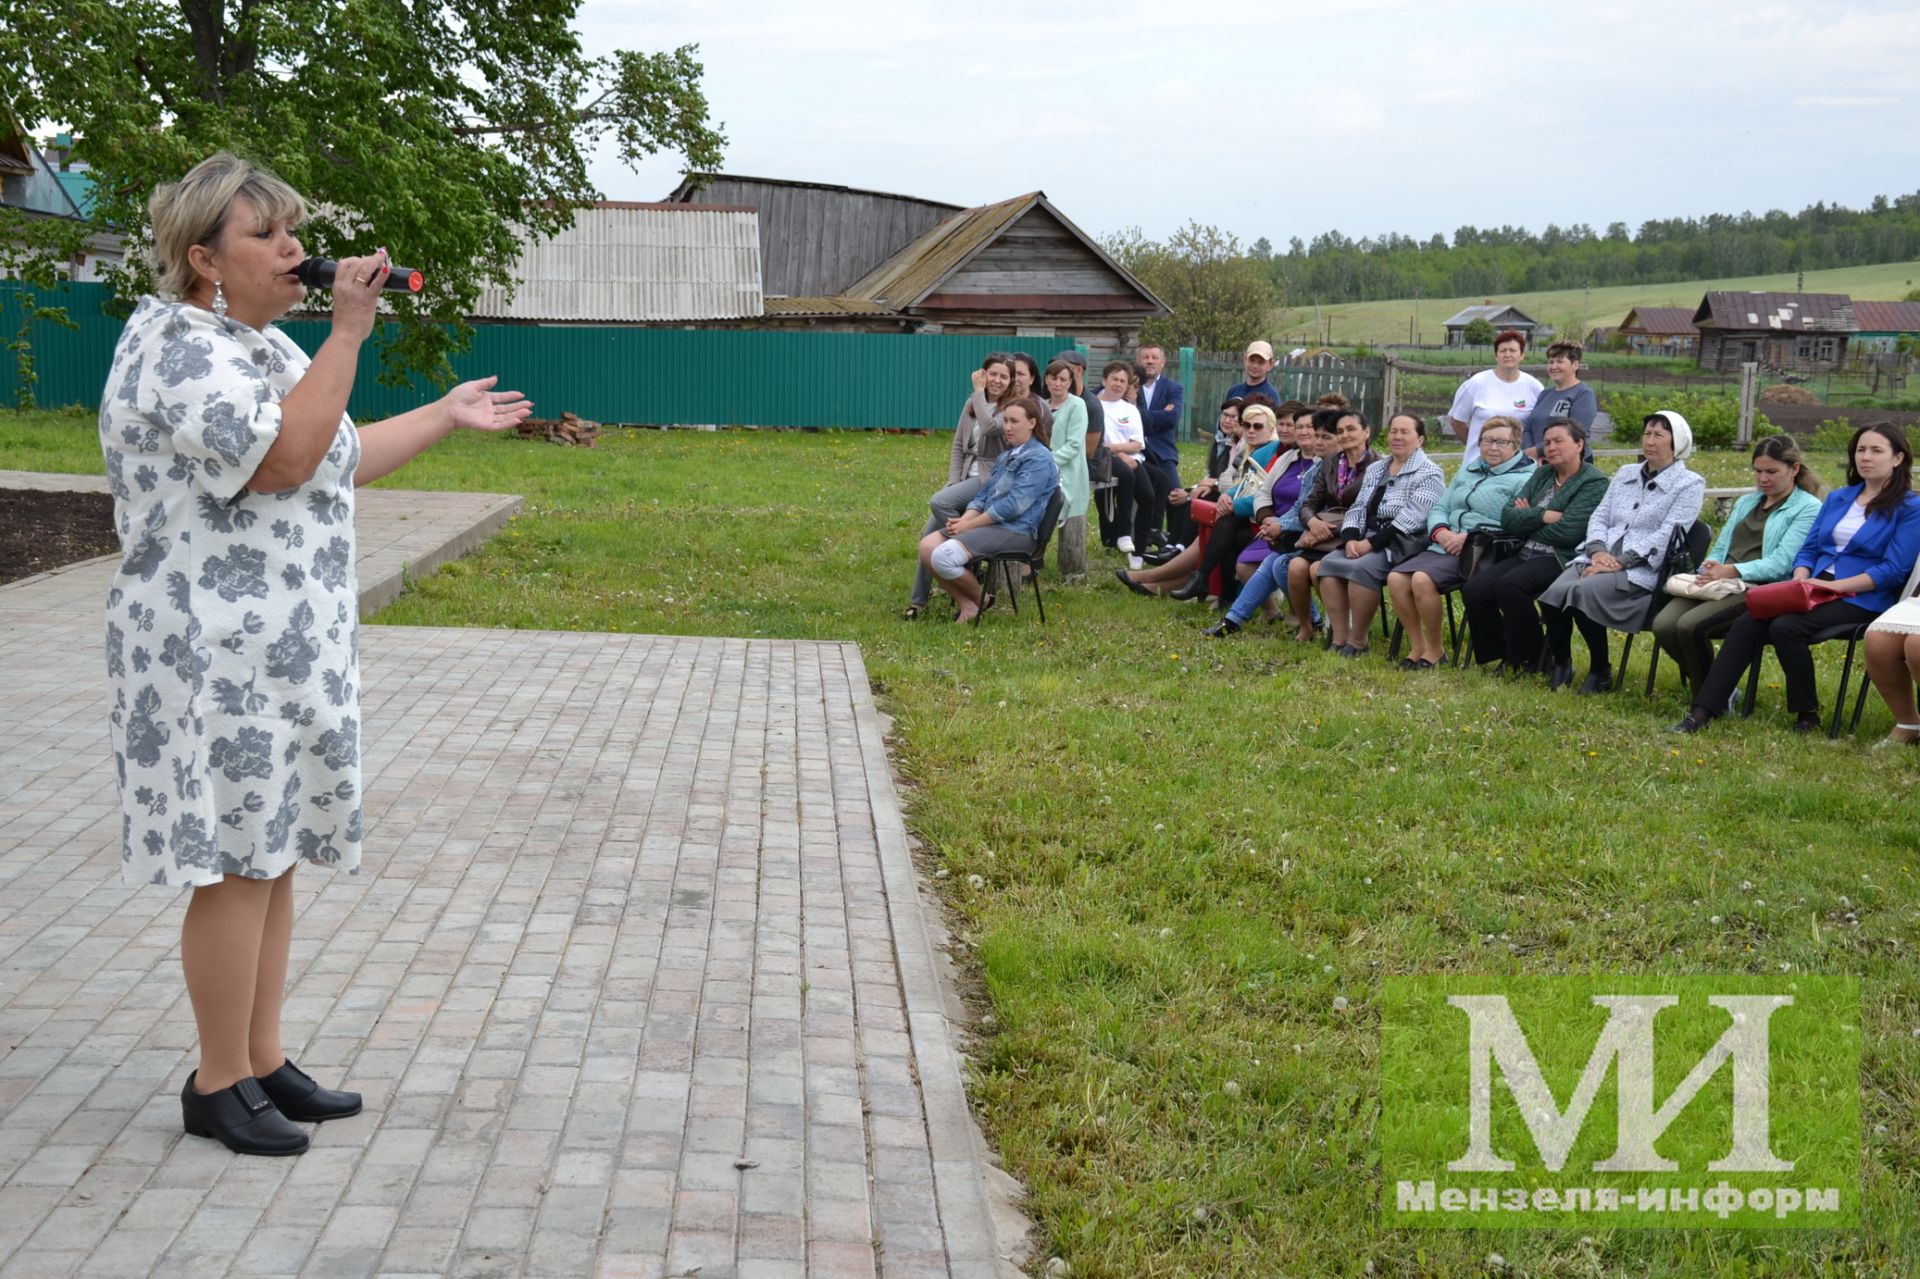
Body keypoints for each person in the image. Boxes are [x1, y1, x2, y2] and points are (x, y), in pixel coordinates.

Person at [98, 153, 532, 1156]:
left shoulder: (265, 351)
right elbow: (280, 459)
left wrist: (442, 414)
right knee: (234, 864)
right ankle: (216, 1081)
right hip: (207, 653)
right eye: (267, 234)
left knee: (273, 852)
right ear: (202, 255)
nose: (295, 249)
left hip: (283, 651)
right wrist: (346, 331)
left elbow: (333, 460)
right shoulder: (175, 347)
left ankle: (259, 1058)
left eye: (295, 230)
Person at [1675, 422, 1920, 735]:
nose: (1866, 457)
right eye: (1860, 450)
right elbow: (1809, 549)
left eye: (1876, 451)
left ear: (1898, 458)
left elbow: (1893, 570)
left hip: (1862, 597)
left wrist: (1834, 586)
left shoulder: (1911, 506)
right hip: (1813, 589)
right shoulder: (1841, 498)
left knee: (1786, 626)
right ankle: (1703, 711)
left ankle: (1807, 715)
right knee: (1749, 621)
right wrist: (1802, 578)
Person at [1536, 411, 1705, 692]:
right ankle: (1562, 663)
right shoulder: (1626, 473)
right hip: (1598, 559)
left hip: (1642, 569)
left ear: (1678, 442)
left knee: (1582, 591)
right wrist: (1598, 550)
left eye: (1659, 435)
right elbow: (1600, 517)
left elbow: (1669, 533)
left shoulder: (1689, 484)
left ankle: (1600, 670)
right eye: (1647, 434)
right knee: (1553, 594)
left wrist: (1619, 562)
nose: (1650, 441)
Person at [1649, 435, 1823, 694]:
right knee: (1663, 625)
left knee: (1689, 625)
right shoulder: (1747, 502)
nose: (1763, 478)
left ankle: (1708, 695)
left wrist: (1731, 570)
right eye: (1758, 471)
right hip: (1722, 580)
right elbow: (1723, 546)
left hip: (1759, 587)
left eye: (1772, 472)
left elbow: (1782, 564)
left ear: (1794, 469)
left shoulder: (1807, 508)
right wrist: (1711, 566)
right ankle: (1718, 688)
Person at [1459, 420, 1609, 674]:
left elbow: (1570, 532)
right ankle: (1506, 653)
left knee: (1510, 586)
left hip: (1561, 558)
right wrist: (1543, 515)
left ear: (1579, 444)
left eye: (1558, 441)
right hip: (1526, 551)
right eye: (1547, 442)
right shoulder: (1542, 474)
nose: (1550, 447)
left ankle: (1533, 658)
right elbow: (1508, 518)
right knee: (1475, 588)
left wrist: (1528, 517)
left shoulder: (1593, 482)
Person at [1385, 416, 1535, 667]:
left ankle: (1435, 651)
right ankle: (1418, 645)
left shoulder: (1525, 478)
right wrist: (1441, 531)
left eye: (1501, 442)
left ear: (1516, 445)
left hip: (1482, 550)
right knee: (1396, 579)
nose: (1493, 447)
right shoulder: (1470, 470)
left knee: (1422, 579)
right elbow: (1440, 506)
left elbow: (1513, 521)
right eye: (1487, 441)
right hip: (1444, 543)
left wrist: (1469, 536)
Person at [1315, 411, 1447, 656]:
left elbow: (1412, 519)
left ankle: (1358, 641)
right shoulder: (1377, 468)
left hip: (1404, 542)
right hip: (1368, 536)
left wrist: (1370, 544)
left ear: (1420, 439)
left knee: (1360, 568)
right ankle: (1340, 637)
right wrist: (1352, 538)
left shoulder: (1430, 473)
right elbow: (1358, 507)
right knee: (1328, 565)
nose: (1397, 436)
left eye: (1405, 432)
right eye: (1394, 431)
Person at [918, 397, 1061, 622]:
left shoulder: (1039, 459)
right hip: (993, 526)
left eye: (1014, 421)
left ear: (1032, 423)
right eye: (1005, 421)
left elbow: (1014, 505)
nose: (1008, 427)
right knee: (927, 547)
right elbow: (983, 496)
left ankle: (981, 600)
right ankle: (970, 604)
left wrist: (970, 525)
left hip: (1017, 531)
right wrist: (963, 521)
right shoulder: (1006, 456)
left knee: (943, 557)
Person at [1117, 403, 1278, 598]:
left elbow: (1244, 489)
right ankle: (1158, 582)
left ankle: (1153, 576)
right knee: (1203, 517)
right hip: (1236, 511)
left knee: (1211, 530)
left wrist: (1224, 492)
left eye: (1258, 426)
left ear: (1271, 428)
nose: (1251, 430)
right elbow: (1227, 481)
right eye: (1247, 425)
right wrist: (1221, 490)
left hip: (1256, 520)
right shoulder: (1244, 447)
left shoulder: (1269, 454)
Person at [905, 352, 1014, 618]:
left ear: (1010, 381)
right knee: (927, 537)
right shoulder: (971, 404)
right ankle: (918, 602)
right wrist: (954, 481)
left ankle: (969, 553)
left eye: (1004, 376)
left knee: (938, 502)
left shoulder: (1011, 409)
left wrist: (979, 392)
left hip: (991, 478)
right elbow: (957, 446)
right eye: (993, 374)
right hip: (966, 476)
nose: (997, 381)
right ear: (984, 373)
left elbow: (989, 428)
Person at [1201, 412, 1329, 635]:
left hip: (1306, 533)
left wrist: (1281, 525)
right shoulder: (1287, 458)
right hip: (1277, 528)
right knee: (1265, 559)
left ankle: (1231, 618)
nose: (1305, 432)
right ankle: (1232, 616)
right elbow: (1262, 492)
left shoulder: (1323, 465)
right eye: (1300, 427)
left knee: (1277, 562)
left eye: (1311, 427)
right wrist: (1267, 519)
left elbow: (1309, 508)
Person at [1285, 407, 1378, 644]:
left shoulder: (1378, 465)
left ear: (1366, 432)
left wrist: (1327, 530)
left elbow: (1371, 511)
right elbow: (1309, 503)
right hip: (1323, 533)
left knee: (1318, 570)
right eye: (1340, 431)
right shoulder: (1330, 463)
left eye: (1351, 429)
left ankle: (1338, 629)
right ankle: (1306, 627)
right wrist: (1313, 522)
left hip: (1353, 535)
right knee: (1295, 566)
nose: (1345, 435)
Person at [1448, 328, 1543, 467]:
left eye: (1512, 350)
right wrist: (1480, 444)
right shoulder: (1476, 383)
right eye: (1503, 351)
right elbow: (1457, 421)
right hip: (1478, 464)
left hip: (1517, 466)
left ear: (1522, 355)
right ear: (1496, 356)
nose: (1507, 354)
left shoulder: (1534, 387)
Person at [1095, 359, 1154, 563]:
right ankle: (1123, 534)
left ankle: (1138, 551)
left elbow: (1137, 443)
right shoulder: (1095, 406)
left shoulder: (1130, 409)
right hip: (1106, 459)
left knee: (1148, 496)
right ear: (1104, 380)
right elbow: (1099, 442)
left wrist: (1119, 450)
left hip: (1133, 458)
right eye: (1115, 379)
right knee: (1124, 478)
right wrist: (1119, 453)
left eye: (1123, 381)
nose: (1118, 384)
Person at [1044, 358, 1091, 579]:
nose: (1058, 383)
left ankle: (1072, 570)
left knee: (1071, 514)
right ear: (1046, 380)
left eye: (1063, 379)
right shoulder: (1042, 406)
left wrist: (1048, 461)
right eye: (1054, 378)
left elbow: (1074, 444)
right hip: (1044, 470)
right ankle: (1032, 561)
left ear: (1070, 382)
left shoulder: (1077, 405)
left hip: (1069, 470)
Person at [1136, 343, 1185, 548]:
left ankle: (1173, 540)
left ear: (1163, 362)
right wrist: (1159, 416)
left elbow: (1172, 418)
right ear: (1139, 361)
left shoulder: (1173, 388)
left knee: (1175, 495)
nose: (1149, 361)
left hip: (1162, 451)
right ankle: (1137, 535)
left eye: (1154, 357)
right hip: (1135, 450)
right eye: (1146, 357)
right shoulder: (1129, 384)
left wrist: (1140, 415)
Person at [1521, 341, 1597, 459]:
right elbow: (1528, 430)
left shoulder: (1583, 394)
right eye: (1551, 362)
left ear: (1575, 365)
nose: (1553, 366)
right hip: (1538, 464)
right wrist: (1530, 455)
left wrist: (1538, 451)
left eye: (1560, 361)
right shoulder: (1544, 394)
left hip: (1569, 465)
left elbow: (1574, 433)